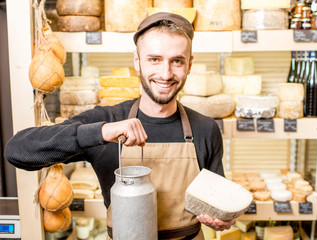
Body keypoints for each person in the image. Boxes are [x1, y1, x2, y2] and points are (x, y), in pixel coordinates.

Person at [5, 12, 236, 239]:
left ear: (189, 64)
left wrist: (223, 217)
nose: (165, 74)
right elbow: (17, 150)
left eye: (177, 61)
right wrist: (102, 131)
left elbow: (219, 202)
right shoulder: (108, 122)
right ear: (137, 61)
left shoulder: (205, 129)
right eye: (154, 59)